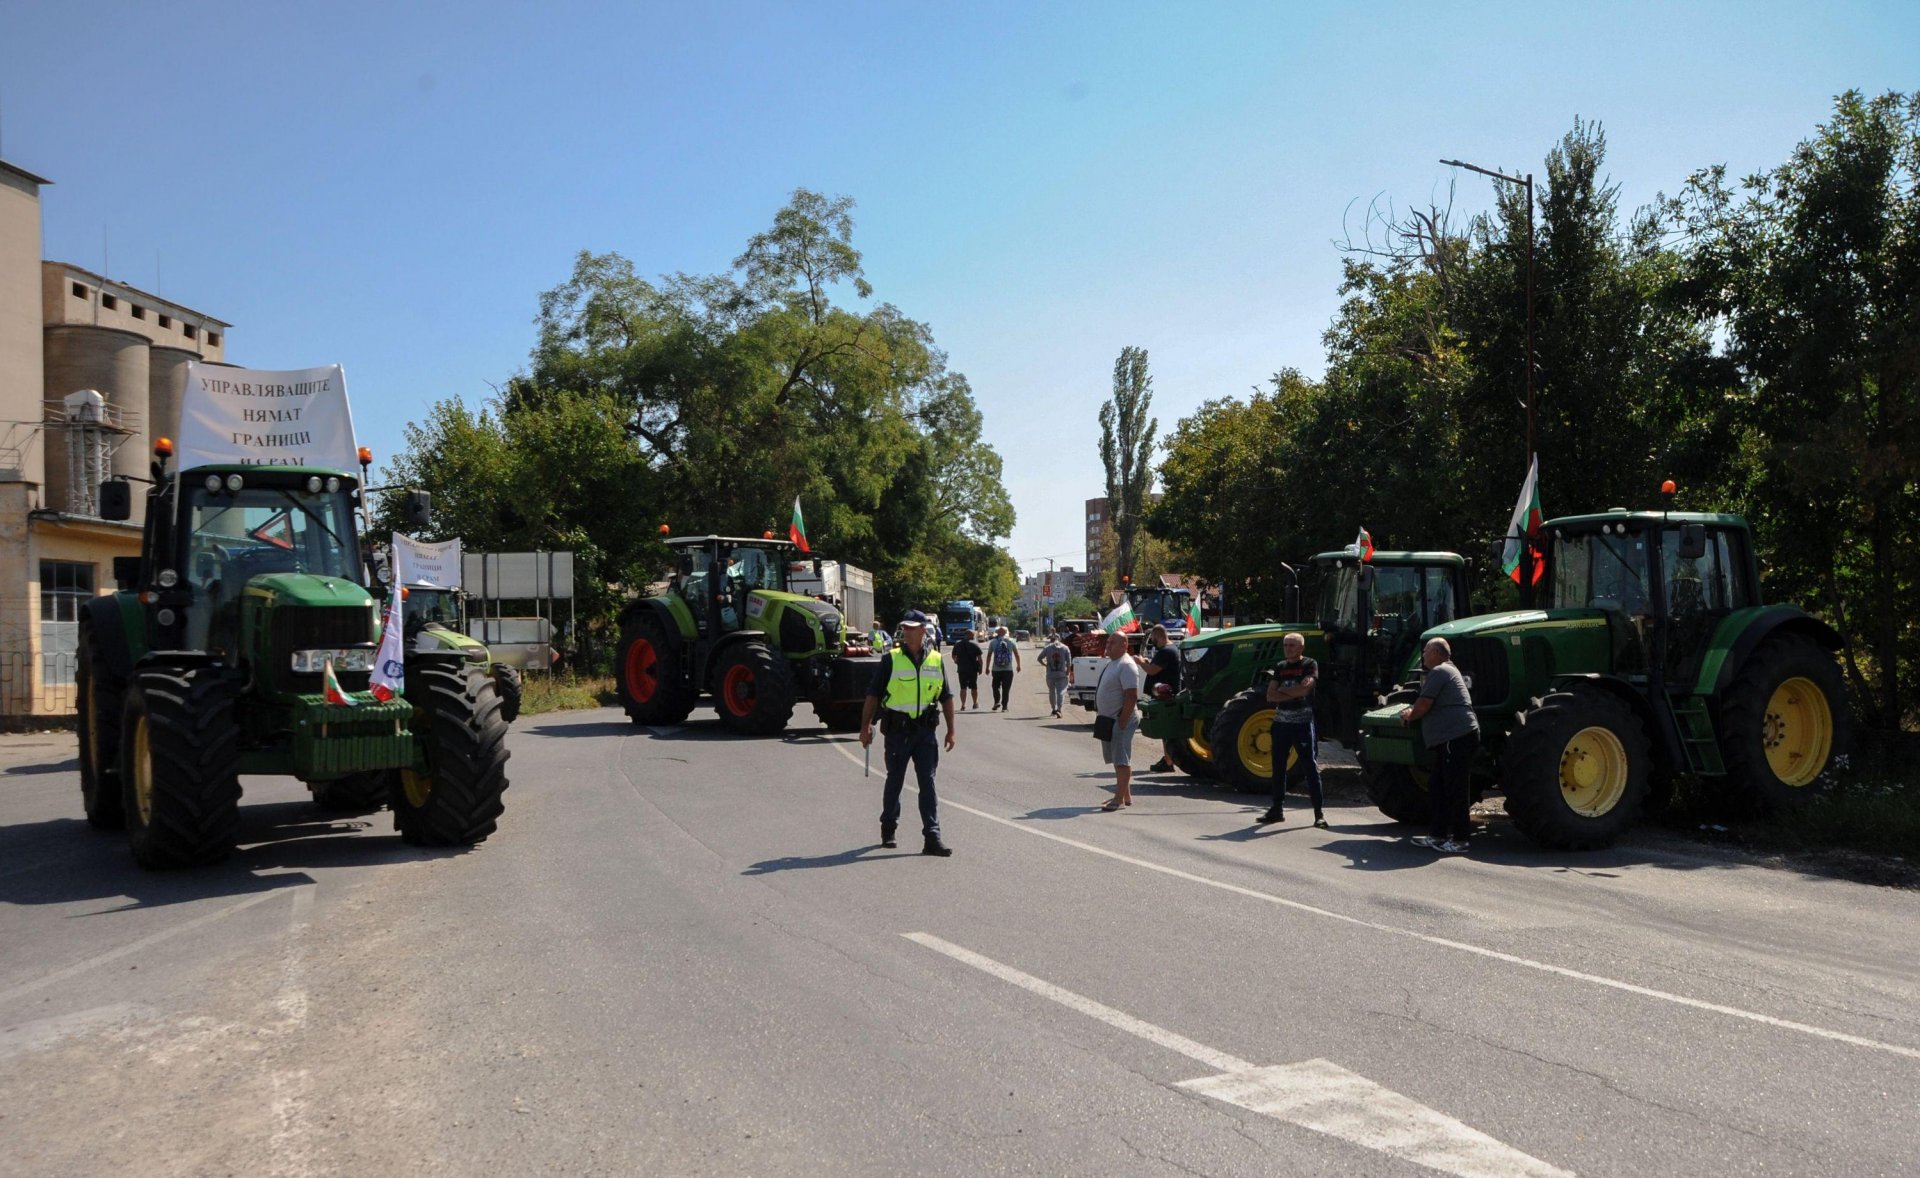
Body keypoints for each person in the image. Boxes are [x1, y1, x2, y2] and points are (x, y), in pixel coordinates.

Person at [860, 610, 957, 856]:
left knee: (928, 783)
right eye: (905, 627)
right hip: (897, 732)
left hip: (925, 732)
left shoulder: (935, 659)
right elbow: (873, 694)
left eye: (912, 627)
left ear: (923, 630)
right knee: (895, 781)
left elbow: (946, 697)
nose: (907, 631)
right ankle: (889, 828)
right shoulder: (891, 659)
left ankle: (932, 837)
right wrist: (865, 726)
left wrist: (951, 731)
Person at [1398, 637, 1479, 853]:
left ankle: (1461, 840)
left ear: (1436, 652)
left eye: (1425, 651)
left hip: (1457, 737)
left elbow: (1423, 704)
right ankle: (1437, 835)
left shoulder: (1441, 671)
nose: (1423, 655)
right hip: (1450, 739)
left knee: (1456, 788)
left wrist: (1409, 715)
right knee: (1438, 786)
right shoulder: (1445, 671)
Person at [1258, 632, 1325, 828]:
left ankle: (1318, 814)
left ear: (1301, 648)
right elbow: (1270, 696)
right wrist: (1293, 692)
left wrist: (1284, 692)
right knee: (1278, 767)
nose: (1288, 649)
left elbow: (1306, 690)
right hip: (1281, 723)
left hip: (1302, 723)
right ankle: (1276, 809)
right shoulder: (1280, 667)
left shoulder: (1309, 665)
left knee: (1310, 767)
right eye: (1286, 645)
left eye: (1292, 646)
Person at [1093, 630, 1146, 811]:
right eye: (1108, 642)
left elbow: (1131, 696)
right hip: (1110, 719)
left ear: (1124, 645)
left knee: (1122, 760)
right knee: (1117, 759)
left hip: (1121, 719)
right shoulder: (1113, 663)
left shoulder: (1126, 665)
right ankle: (1125, 795)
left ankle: (1119, 800)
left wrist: (1122, 721)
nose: (1108, 646)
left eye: (1112, 643)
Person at [1141, 625, 1183, 771]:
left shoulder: (1165, 651)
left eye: (1152, 637)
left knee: (1165, 730)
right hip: (1166, 693)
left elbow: (1152, 671)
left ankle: (1169, 761)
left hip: (1166, 695)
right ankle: (1168, 758)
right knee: (1166, 732)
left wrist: (1140, 662)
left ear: (1157, 636)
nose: (1152, 641)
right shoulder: (1170, 649)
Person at [1037, 631, 1073, 717]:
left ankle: (1053, 709)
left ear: (1051, 640)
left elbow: (1039, 658)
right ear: (1059, 639)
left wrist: (1045, 665)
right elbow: (1069, 662)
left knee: (1051, 692)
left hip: (1050, 674)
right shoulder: (1065, 648)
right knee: (1061, 692)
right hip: (1062, 674)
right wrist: (1068, 672)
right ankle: (1059, 709)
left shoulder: (1048, 648)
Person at [987, 626, 1022, 711]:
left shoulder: (993, 642)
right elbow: (1017, 654)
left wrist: (987, 667)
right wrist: (1018, 665)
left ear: (997, 633)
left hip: (996, 669)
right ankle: (1004, 707)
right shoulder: (1011, 641)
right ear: (1007, 632)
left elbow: (989, 655)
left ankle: (996, 702)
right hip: (1008, 670)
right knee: (1006, 688)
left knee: (995, 686)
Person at [949, 628, 984, 710]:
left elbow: (953, 655)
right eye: (973, 634)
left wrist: (956, 661)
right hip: (972, 670)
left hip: (961, 669)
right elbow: (980, 659)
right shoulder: (975, 645)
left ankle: (963, 705)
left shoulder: (958, 644)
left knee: (963, 687)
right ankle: (975, 703)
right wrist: (981, 668)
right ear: (971, 635)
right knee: (974, 687)